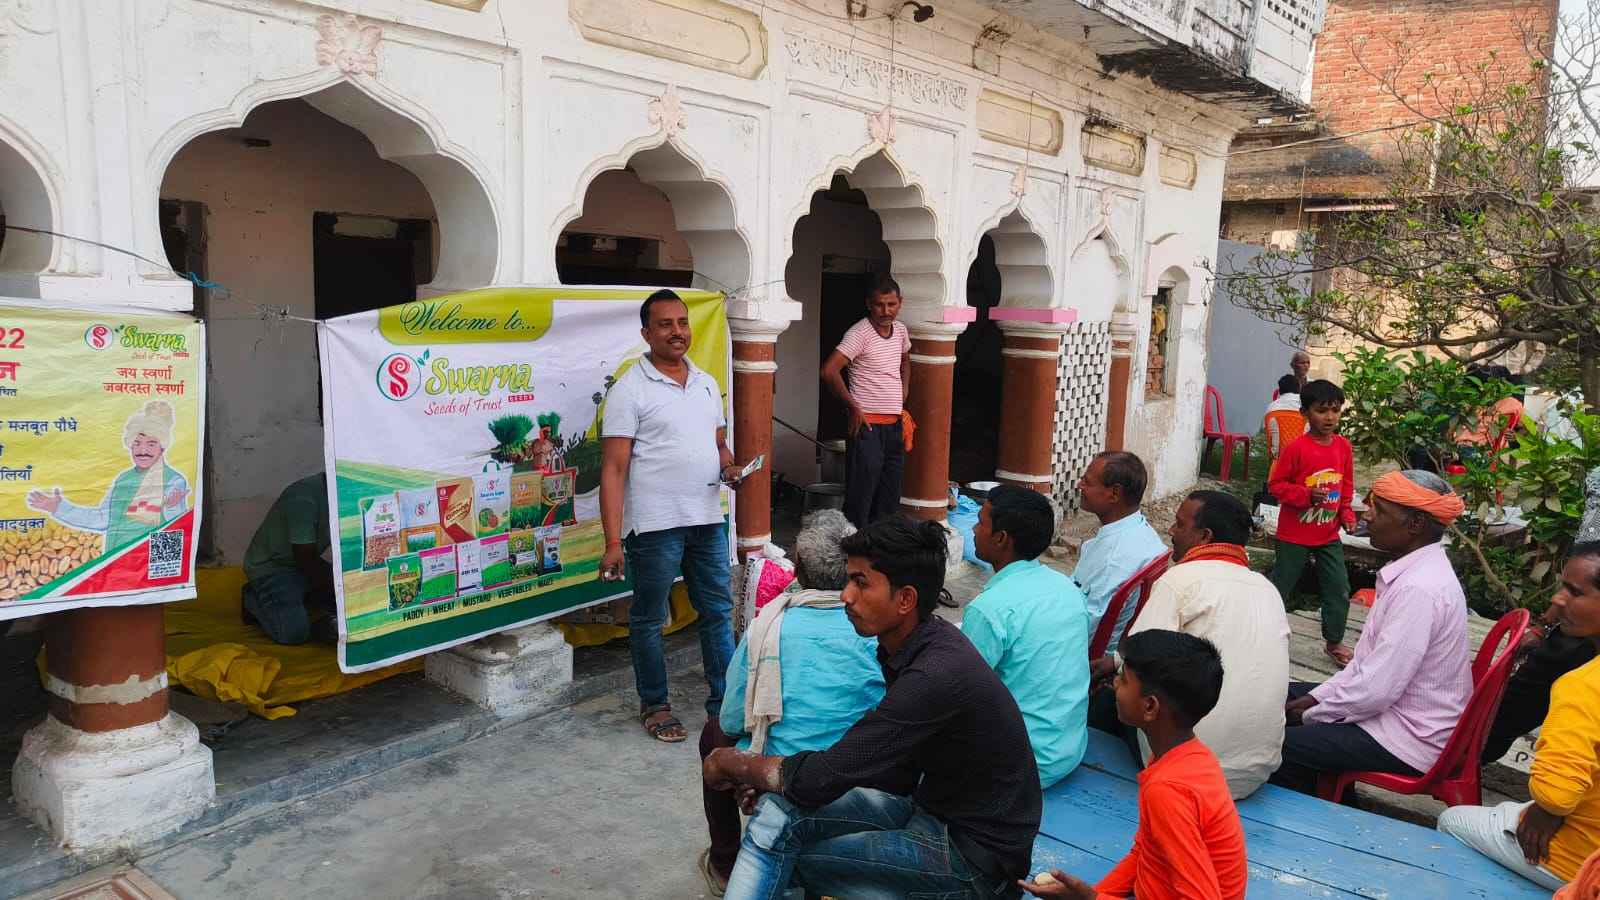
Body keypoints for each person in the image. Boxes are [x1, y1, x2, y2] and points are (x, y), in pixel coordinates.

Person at [703, 517, 1042, 900]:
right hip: (931, 813)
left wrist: (732, 763)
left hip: (973, 861)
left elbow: (824, 775)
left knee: (780, 850)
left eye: (861, 583)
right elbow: (875, 767)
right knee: (777, 813)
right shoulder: (914, 642)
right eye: (848, 580)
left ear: (905, 599)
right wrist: (776, 783)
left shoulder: (934, 674)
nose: (846, 596)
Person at [698, 510, 886, 894]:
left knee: (714, 733)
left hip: (785, 771)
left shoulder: (769, 624)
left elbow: (733, 720)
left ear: (797, 566)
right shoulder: (878, 628)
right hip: (862, 768)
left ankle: (725, 862)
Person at [1437, 487, 1600, 890]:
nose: (1559, 599)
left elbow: (1557, 796)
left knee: (1451, 821)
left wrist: (1549, 808)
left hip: (1580, 863)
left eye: (1572, 593)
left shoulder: (1581, 686)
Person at [600, 289, 745, 743]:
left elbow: (718, 443)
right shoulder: (629, 389)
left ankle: (724, 708)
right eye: (665, 324)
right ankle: (655, 704)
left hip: (707, 518)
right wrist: (612, 542)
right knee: (649, 618)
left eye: (682, 322)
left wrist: (729, 467)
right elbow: (613, 469)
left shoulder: (705, 382)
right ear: (647, 333)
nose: (677, 331)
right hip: (654, 526)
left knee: (717, 612)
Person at [1272, 470, 1471, 795]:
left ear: (1415, 523)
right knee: (1275, 696)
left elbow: (1376, 690)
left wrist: (1310, 714)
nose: (1367, 516)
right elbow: (1366, 670)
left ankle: (1326, 814)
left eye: (1379, 509)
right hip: (1392, 712)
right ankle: (1331, 791)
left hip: (1409, 736)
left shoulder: (1419, 589)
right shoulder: (1417, 572)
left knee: (1274, 744)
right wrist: (1314, 700)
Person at [1089, 490, 1290, 799]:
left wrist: (1115, 667)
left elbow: (1138, 657)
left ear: (1204, 536)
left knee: (1109, 695)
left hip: (1187, 772)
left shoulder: (1181, 579)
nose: (1171, 530)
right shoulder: (1267, 589)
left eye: (1179, 524)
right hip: (1254, 772)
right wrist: (1115, 659)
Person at [1023, 630, 1248, 900]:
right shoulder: (1187, 756)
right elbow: (1145, 849)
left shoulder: (1167, 790)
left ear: (1150, 707)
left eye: (1123, 679)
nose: (1115, 683)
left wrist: (1091, 899)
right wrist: (1098, 894)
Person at [963, 484, 1091, 788]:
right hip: (1067, 750)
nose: (973, 529)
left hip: (1020, 765)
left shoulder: (988, 610)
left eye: (980, 521)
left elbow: (959, 692)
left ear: (1001, 538)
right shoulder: (1066, 588)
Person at [1267, 379, 1358, 667]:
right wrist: (1305, 495)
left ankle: (1334, 641)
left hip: (1328, 534)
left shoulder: (1343, 447)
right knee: (1280, 587)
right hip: (1293, 535)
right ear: (1305, 413)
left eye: (1335, 410)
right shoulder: (1296, 449)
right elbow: (1276, 486)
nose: (1329, 417)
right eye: (1321, 410)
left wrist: (1346, 513)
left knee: (1338, 587)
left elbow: (1346, 485)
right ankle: (1262, 634)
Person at [28, 400, 190, 551]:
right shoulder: (123, 479)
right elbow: (102, 519)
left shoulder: (173, 480)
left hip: (147, 561)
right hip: (116, 560)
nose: (143, 451)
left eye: (151, 444)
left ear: (162, 447)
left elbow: (176, 531)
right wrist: (59, 508)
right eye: (137, 443)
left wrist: (172, 507)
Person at [820, 275, 911, 527]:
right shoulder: (859, 333)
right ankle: (855, 545)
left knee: (889, 494)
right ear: (869, 304)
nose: (886, 311)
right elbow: (829, 371)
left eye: (891, 304)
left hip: (894, 425)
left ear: (900, 303)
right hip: (866, 425)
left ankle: (880, 546)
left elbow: (905, 360)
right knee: (861, 496)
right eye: (879, 305)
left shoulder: (900, 331)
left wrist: (903, 391)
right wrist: (853, 407)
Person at [1074, 451, 1168, 654]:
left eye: (1087, 482)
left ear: (1114, 494)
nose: (1079, 485)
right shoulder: (1142, 531)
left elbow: (1084, 630)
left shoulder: (1112, 560)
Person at [239, 473, 335, 645]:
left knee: (352, 605)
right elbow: (305, 558)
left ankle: (303, 600)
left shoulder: (348, 494)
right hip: (274, 568)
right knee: (294, 632)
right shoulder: (303, 497)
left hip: (303, 566)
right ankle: (252, 597)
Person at [1263, 375, 1306, 462]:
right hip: (1303, 459)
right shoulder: (1307, 407)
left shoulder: (1271, 408)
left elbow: (1266, 431)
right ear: (1299, 388)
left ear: (1280, 390)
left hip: (1278, 460)